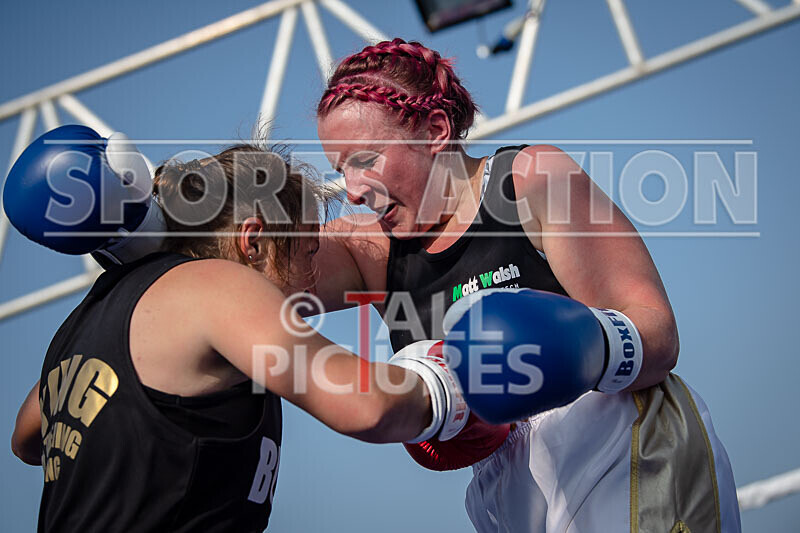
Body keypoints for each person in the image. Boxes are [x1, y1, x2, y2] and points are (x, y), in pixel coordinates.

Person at [312, 38, 742, 532]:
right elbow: (249, 274)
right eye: (339, 168)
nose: (353, 189)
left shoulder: (530, 180)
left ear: (435, 130)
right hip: (515, 504)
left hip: (632, 463)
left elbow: (659, 336)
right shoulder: (371, 250)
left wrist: (574, 346)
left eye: (365, 158)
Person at [8, 125, 494, 532]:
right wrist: (466, 374)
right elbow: (368, 406)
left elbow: (27, 437)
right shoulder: (214, 287)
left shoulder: (86, 325)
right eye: (306, 250)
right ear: (254, 242)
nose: (314, 276)